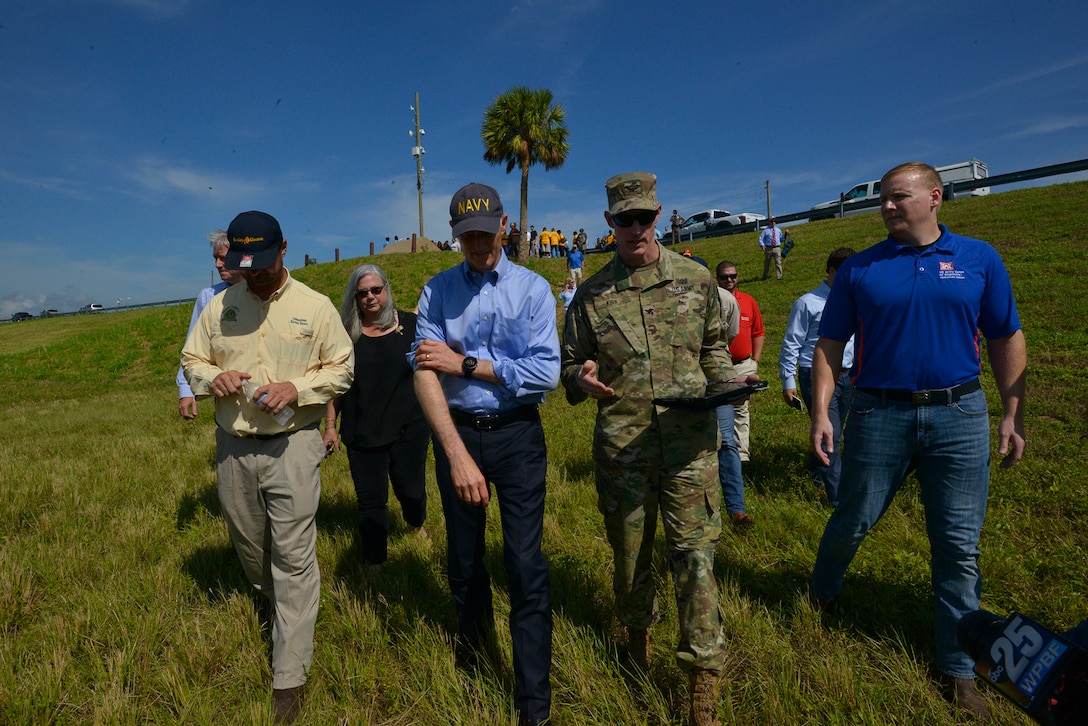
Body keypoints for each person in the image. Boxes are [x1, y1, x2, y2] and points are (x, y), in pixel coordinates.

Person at [809, 162, 1026, 720]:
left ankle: (958, 668)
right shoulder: (860, 269)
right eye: (882, 199)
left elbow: (1005, 335)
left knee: (958, 543)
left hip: (959, 415)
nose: (886, 206)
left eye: (897, 197)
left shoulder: (978, 259)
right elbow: (830, 344)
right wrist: (822, 412)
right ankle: (822, 591)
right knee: (854, 515)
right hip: (880, 414)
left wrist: (1012, 411)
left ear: (935, 197)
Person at [561, 172, 755, 726]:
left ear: (659, 215)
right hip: (624, 451)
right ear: (609, 223)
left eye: (645, 217)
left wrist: (729, 385)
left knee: (695, 560)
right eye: (625, 219)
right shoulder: (592, 295)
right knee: (630, 562)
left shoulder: (697, 280)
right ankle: (636, 644)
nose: (637, 229)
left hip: (691, 451)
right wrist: (582, 379)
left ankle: (702, 682)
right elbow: (568, 365)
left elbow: (714, 349)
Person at [181, 211, 354, 723]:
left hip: (294, 445)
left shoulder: (315, 307)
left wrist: (296, 389)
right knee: (251, 550)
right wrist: (213, 377)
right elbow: (192, 359)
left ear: (284, 251)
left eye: (261, 264)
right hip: (233, 447)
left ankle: (290, 676)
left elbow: (342, 366)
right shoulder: (219, 307)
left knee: (295, 555)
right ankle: (278, 606)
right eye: (243, 265)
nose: (253, 274)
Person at [411, 183, 560, 726]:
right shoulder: (437, 291)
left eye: (485, 230)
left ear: (503, 226)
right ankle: (473, 665)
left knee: (524, 564)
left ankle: (533, 705)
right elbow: (424, 369)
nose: (477, 242)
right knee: (466, 561)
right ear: (455, 235)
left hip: (518, 435)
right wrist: (453, 452)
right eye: (465, 233)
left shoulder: (534, 289)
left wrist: (466, 363)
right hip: (459, 433)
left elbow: (545, 374)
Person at [324, 264, 431, 578]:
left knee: (411, 491)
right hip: (362, 430)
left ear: (386, 289)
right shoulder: (344, 336)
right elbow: (335, 385)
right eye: (362, 293)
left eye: (376, 290)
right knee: (371, 501)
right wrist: (330, 425)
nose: (370, 297)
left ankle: (415, 523)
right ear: (354, 298)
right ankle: (374, 563)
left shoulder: (411, 325)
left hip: (408, 428)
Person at [778, 247, 856, 507]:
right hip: (816, 374)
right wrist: (788, 381)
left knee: (834, 432)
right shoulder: (808, 303)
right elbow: (791, 343)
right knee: (830, 435)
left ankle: (817, 474)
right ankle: (838, 501)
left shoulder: (855, 300)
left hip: (849, 374)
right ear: (832, 271)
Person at [177, 230, 243, 419]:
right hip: (226, 392)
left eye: (222, 258)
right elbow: (192, 347)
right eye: (215, 258)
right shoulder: (208, 297)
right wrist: (186, 390)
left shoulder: (261, 294)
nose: (217, 265)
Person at [715, 260, 763, 498]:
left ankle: (741, 460)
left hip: (743, 364)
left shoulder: (749, 301)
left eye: (733, 276)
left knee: (741, 411)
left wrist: (755, 360)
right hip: (718, 368)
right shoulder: (711, 302)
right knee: (721, 413)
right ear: (717, 280)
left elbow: (758, 332)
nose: (729, 280)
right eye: (724, 277)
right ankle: (722, 459)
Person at [713, 262, 753, 527]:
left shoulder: (726, 301)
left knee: (727, 442)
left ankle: (736, 509)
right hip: (679, 382)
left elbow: (728, 340)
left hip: (718, 376)